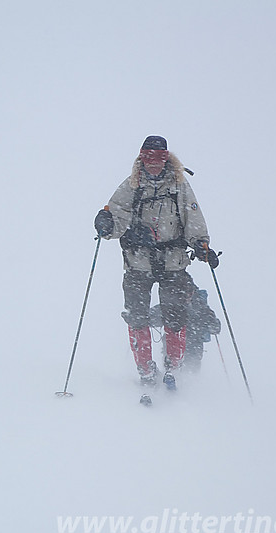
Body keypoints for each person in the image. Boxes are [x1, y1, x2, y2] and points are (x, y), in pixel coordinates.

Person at [94, 135, 219, 389]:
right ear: (141, 157)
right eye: (148, 157)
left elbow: (192, 216)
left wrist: (201, 244)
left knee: (175, 315)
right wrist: (106, 225)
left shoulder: (179, 186)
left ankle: (173, 365)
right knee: (136, 316)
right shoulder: (131, 186)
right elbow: (116, 217)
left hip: (173, 261)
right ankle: (145, 369)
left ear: (167, 159)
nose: (154, 163)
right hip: (137, 261)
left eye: (159, 158)